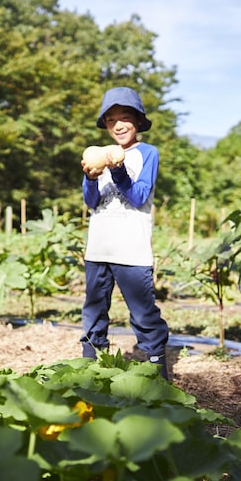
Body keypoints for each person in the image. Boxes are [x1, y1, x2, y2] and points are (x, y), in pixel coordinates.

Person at [80, 86, 170, 379]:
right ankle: (91, 371)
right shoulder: (97, 155)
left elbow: (139, 196)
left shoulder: (147, 153)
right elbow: (91, 202)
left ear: (138, 121)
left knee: (143, 314)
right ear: (105, 124)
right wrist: (90, 178)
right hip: (98, 248)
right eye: (110, 120)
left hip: (132, 250)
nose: (118, 125)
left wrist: (117, 169)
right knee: (94, 311)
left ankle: (158, 376)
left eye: (125, 118)